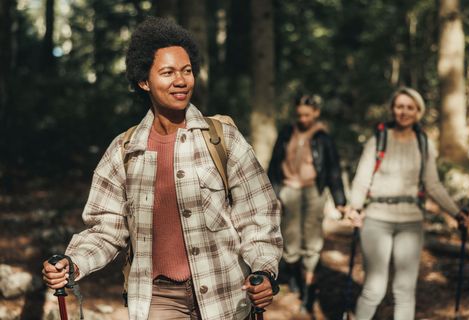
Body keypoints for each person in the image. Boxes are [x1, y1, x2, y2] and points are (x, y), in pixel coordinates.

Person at [41, 17, 282, 320]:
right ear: (144, 81)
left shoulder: (223, 138)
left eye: (187, 71)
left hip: (226, 295)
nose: (181, 81)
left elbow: (258, 214)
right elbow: (106, 229)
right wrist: (74, 262)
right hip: (157, 301)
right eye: (167, 72)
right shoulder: (124, 151)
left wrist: (264, 269)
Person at [348, 87, 469, 320]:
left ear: (418, 112)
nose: (404, 112)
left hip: (411, 222)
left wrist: (456, 213)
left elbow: (433, 185)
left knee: (404, 290)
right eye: (399, 106)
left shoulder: (424, 144)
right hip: (376, 219)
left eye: (409, 107)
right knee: (374, 288)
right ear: (393, 109)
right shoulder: (378, 139)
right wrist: (355, 207)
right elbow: (362, 179)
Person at [268, 94, 347, 313]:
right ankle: (293, 273)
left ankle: (309, 290)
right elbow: (275, 163)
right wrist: (272, 193)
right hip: (289, 190)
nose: (303, 118)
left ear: (316, 113)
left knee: (312, 240)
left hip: (314, 191)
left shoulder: (323, 137)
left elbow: (333, 171)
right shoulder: (286, 133)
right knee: (290, 242)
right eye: (299, 114)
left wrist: (341, 201)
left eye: (307, 114)